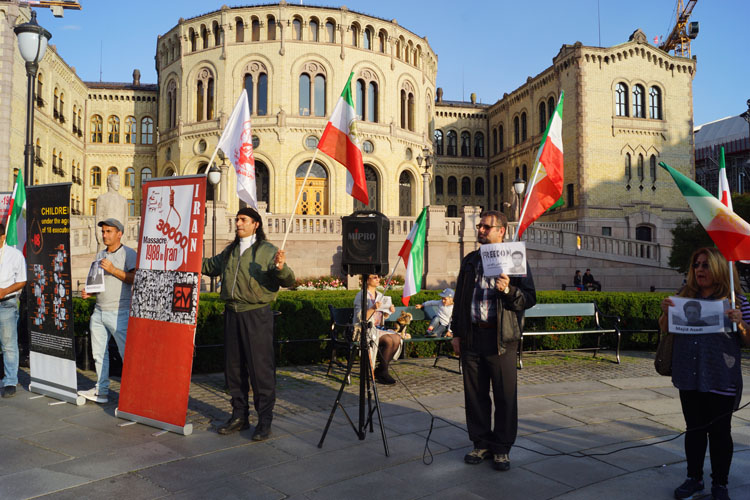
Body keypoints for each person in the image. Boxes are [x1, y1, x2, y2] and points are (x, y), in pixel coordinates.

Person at [659, 247, 750, 500]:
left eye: (706, 265)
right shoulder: (683, 296)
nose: (700, 269)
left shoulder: (736, 300)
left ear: (720, 268)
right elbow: (666, 330)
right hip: (689, 375)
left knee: (720, 433)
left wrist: (740, 322)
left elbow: (749, 340)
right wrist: (666, 313)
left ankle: (720, 484)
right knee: (694, 430)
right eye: (697, 264)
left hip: (721, 376)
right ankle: (694, 479)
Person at [450, 210, 536, 472]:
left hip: (501, 338)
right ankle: (481, 442)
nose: (481, 230)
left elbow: (529, 298)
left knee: (504, 395)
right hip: (473, 335)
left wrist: (508, 290)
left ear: (502, 230)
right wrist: (456, 332)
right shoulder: (470, 261)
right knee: (475, 394)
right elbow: (460, 299)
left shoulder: (515, 259)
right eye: (480, 226)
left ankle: (502, 448)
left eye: (487, 227)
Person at [202, 207, 295, 440]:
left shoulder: (268, 251)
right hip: (232, 313)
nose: (238, 224)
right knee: (234, 369)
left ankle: (264, 421)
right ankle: (239, 416)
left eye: (243, 220)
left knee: (260, 369)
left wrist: (281, 269)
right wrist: (188, 255)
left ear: (255, 224)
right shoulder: (231, 250)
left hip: (257, 315)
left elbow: (289, 280)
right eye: (236, 220)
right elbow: (210, 267)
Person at [79, 218, 137, 404]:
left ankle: (133, 394)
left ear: (119, 233)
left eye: (109, 231)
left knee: (126, 354)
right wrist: (90, 292)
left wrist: (113, 269)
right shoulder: (99, 254)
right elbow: (98, 282)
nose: (104, 235)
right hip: (99, 311)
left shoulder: (129, 254)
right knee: (98, 354)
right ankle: (101, 391)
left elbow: (135, 279)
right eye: (103, 231)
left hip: (119, 311)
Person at [353, 274, 401, 385]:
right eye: (375, 277)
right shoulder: (361, 295)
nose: (378, 279)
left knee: (397, 338)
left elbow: (382, 316)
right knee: (389, 340)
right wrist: (373, 308)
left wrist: (388, 311)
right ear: (367, 280)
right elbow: (362, 317)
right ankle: (383, 372)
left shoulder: (380, 295)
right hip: (366, 329)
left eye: (378, 277)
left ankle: (381, 369)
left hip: (379, 328)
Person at [0, 223, 27, 398]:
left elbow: (22, 281)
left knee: (8, 343)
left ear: (2, 237)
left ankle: (10, 380)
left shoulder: (15, 255)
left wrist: (4, 291)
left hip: (6, 303)